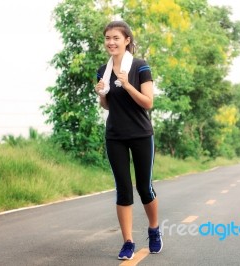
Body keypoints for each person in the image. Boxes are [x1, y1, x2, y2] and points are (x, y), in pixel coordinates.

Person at [94, 20, 162, 260]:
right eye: (107, 38)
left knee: (145, 187)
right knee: (123, 190)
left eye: (116, 38)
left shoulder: (141, 67)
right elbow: (107, 105)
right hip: (115, 135)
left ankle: (153, 229)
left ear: (127, 41)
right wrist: (101, 94)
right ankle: (128, 242)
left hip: (141, 134)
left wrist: (127, 85)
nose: (111, 42)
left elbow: (148, 102)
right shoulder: (102, 70)